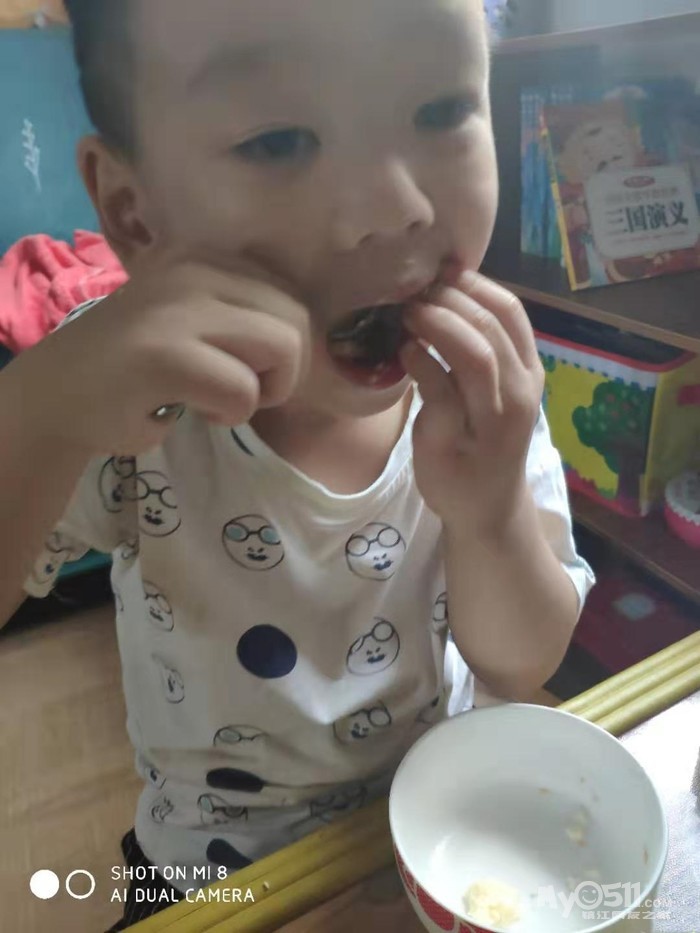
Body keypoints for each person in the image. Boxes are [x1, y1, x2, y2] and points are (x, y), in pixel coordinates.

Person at [0, 0, 594, 928]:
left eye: (441, 110)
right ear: (133, 213)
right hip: (203, 872)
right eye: (278, 140)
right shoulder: (129, 403)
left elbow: (523, 665)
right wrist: (36, 411)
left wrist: (490, 516)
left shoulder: (474, 388)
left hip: (435, 837)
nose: (397, 207)